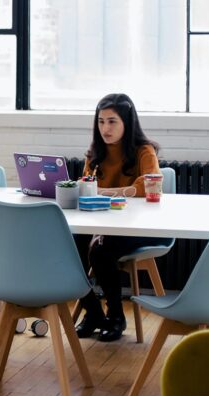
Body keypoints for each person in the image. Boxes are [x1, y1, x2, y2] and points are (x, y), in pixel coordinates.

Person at [74, 93, 170, 342]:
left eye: (112, 121)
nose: (105, 128)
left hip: (139, 226)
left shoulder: (143, 151)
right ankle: (93, 311)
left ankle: (116, 316)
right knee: (67, 247)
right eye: (101, 121)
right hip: (102, 223)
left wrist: (105, 192)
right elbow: (87, 186)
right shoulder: (94, 154)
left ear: (127, 123)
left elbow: (149, 185)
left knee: (99, 251)